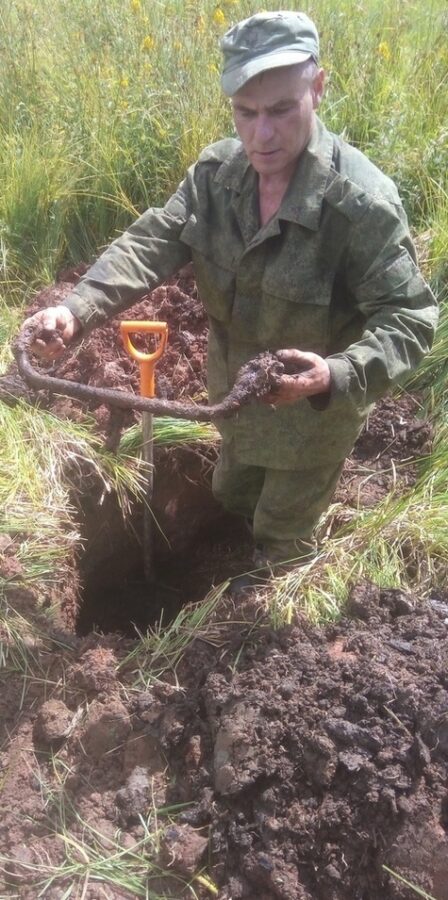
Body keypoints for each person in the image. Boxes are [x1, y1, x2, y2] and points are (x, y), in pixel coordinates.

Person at [22, 11, 438, 585]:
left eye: (280, 110)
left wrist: (335, 374)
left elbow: (410, 321)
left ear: (318, 88)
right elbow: (151, 242)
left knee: (281, 531)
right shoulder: (216, 176)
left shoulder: (360, 205)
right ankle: (242, 555)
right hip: (233, 403)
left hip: (311, 425)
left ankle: (270, 600)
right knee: (232, 493)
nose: (260, 135)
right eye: (246, 112)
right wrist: (75, 308)